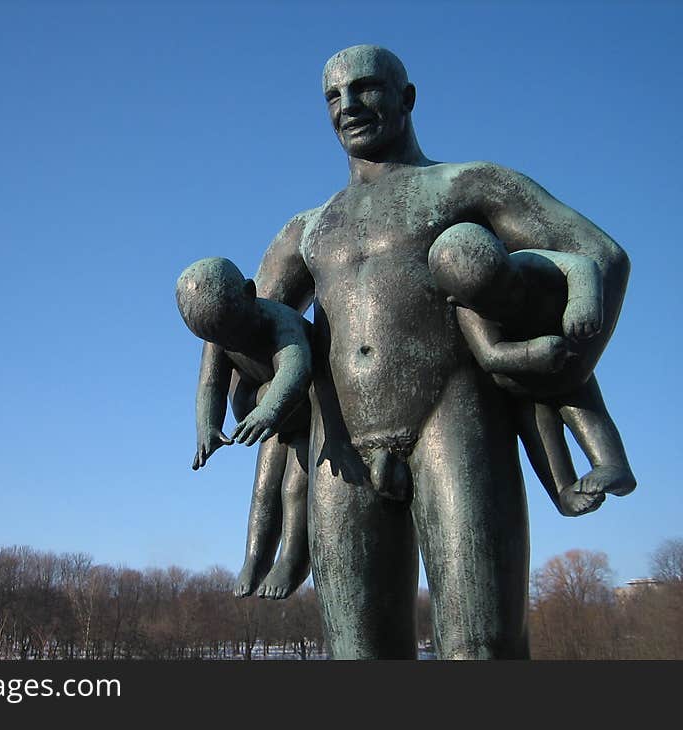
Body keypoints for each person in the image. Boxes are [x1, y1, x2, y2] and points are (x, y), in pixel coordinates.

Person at [198, 45, 630, 658]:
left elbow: (601, 255)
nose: (348, 105)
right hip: (342, 444)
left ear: (407, 97)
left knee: (481, 647)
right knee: (358, 654)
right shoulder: (306, 229)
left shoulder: (467, 185)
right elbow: (247, 326)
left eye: (366, 88)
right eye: (333, 96)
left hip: (453, 421)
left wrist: (569, 362)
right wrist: (237, 382)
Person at [428, 222, 636, 518]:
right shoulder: (470, 313)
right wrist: (531, 353)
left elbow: (581, 266)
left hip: (564, 364)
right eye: (494, 302)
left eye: (512, 285)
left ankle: (612, 465)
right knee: (540, 433)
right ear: (458, 301)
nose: (510, 300)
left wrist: (582, 303)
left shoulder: (531, 261)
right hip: (524, 383)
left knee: (585, 408)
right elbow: (490, 355)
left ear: (505, 249)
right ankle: (564, 491)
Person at [176, 257, 312, 599]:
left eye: (234, 332)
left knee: (294, 491)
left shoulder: (280, 321)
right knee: (263, 492)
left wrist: (268, 410)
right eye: (220, 339)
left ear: (250, 294)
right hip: (270, 419)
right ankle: (255, 559)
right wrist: (207, 426)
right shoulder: (219, 335)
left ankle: (292, 559)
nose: (230, 343)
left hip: (307, 413)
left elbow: (295, 369)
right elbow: (210, 385)